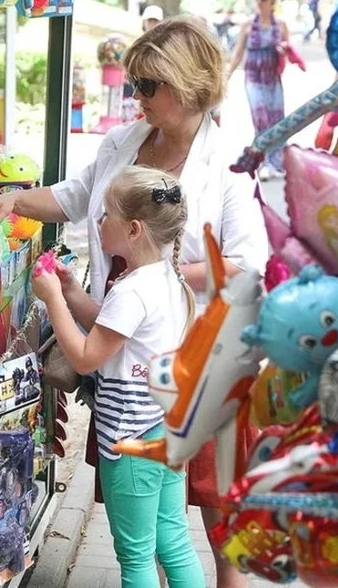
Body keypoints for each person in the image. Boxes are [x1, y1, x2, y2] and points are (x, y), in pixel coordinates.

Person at [0, 15, 267, 588]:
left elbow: (249, 264)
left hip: (201, 353)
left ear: (186, 86)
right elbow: (75, 196)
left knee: (212, 493)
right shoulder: (124, 141)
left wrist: (162, 279)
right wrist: (15, 200)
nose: (136, 97)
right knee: (163, 514)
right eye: (134, 83)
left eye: (147, 86)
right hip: (133, 357)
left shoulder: (228, 160)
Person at [31, 166, 203, 588]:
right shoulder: (165, 277)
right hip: (165, 429)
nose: (98, 221)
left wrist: (53, 299)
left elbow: (89, 357)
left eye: (106, 214)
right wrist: (72, 291)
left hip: (129, 443)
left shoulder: (131, 290)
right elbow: (113, 331)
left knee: (135, 555)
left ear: (134, 229)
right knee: (173, 541)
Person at [227, 0, 291, 181]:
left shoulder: (280, 25)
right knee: (261, 117)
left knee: (277, 119)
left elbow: (288, 52)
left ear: (273, 0)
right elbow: (237, 54)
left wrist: (283, 51)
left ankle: (276, 162)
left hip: (272, 77)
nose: (260, 1)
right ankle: (264, 162)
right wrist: (226, 75)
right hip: (253, 77)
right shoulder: (247, 26)